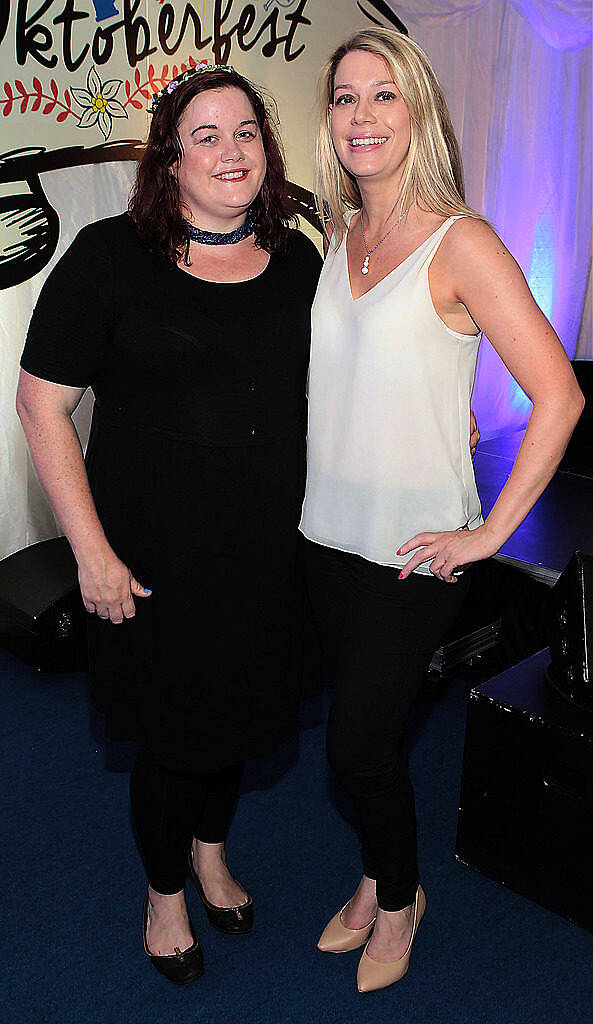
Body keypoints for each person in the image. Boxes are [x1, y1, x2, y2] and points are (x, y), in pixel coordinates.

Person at [16, 63, 323, 985]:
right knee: (172, 736)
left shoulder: (298, 260)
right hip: (152, 561)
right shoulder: (110, 257)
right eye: (206, 135)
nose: (231, 152)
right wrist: (93, 556)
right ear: (170, 159)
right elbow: (41, 407)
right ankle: (164, 895)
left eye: (246, 133)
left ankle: (211, 851)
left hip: (267, 553)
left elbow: (342, 387)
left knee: (239, 722)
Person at [299, 28, 584, 994]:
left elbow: (561, 394)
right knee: (362, 737)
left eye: (385, 95)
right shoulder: (340, 237)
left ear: (417, 111)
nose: (363, 116)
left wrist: (488, 533)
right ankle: (378, 868)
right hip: (323, 538)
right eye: (345, 97)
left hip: (411, 553)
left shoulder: (460, 238)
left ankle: (401, 897)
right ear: (328, 118)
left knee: (355, 748)